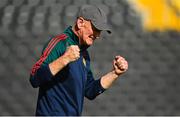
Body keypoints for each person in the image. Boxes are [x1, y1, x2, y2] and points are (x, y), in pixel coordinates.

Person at [29, 5, 128, 116]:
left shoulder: (84, 54)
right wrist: (64, 59)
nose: (98, 35)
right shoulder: (60, 43)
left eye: (100, 31)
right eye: (95, 29)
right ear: (80, 23)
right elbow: (34, 78)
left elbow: (90, 90)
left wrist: (115, 73)